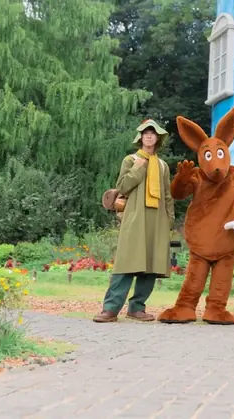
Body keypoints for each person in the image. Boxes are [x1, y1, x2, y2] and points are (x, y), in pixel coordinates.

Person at [94, 119, 174, 323]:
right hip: (135, 216)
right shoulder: (131, 160)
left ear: (158, 138)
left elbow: (167, 195)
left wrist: (170, 219)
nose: (149, 136)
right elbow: (122, 187)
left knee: (152, 264)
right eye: (146, 133)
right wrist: (138, 167)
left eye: (153, 133)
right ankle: (110, 309)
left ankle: (137, 308)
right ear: (140, 137)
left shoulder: (163, 166)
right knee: (126, 261)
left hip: (157, 219)